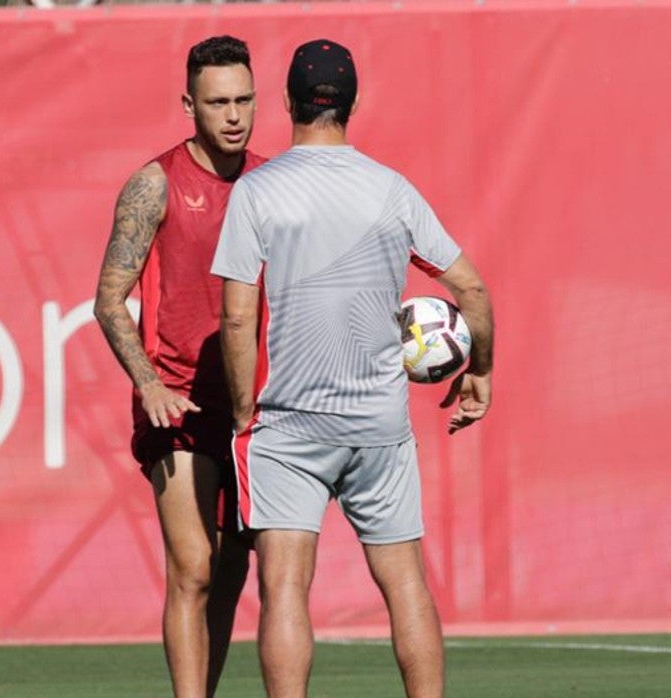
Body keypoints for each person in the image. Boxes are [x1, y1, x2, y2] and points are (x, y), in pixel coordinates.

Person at [211, 39, 494, 698]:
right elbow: (472, 291)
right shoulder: (390, 189)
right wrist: (480, 369)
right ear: (352, 103)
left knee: (284, 588)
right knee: (406, 585)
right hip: (377, 426)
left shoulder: (257, 191)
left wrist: (244, 410)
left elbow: (235, 318)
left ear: (285, 101)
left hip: (290, 424)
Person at [93, 35, 266, 698]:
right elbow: (110, 299)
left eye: (243, 100)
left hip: (253, 406)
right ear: (188, 104)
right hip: (179, 404)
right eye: (218, 101)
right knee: (194, 565)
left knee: (230, 572)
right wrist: (148, 383)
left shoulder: (275, 182)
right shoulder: (154, 183)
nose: (233, 115)